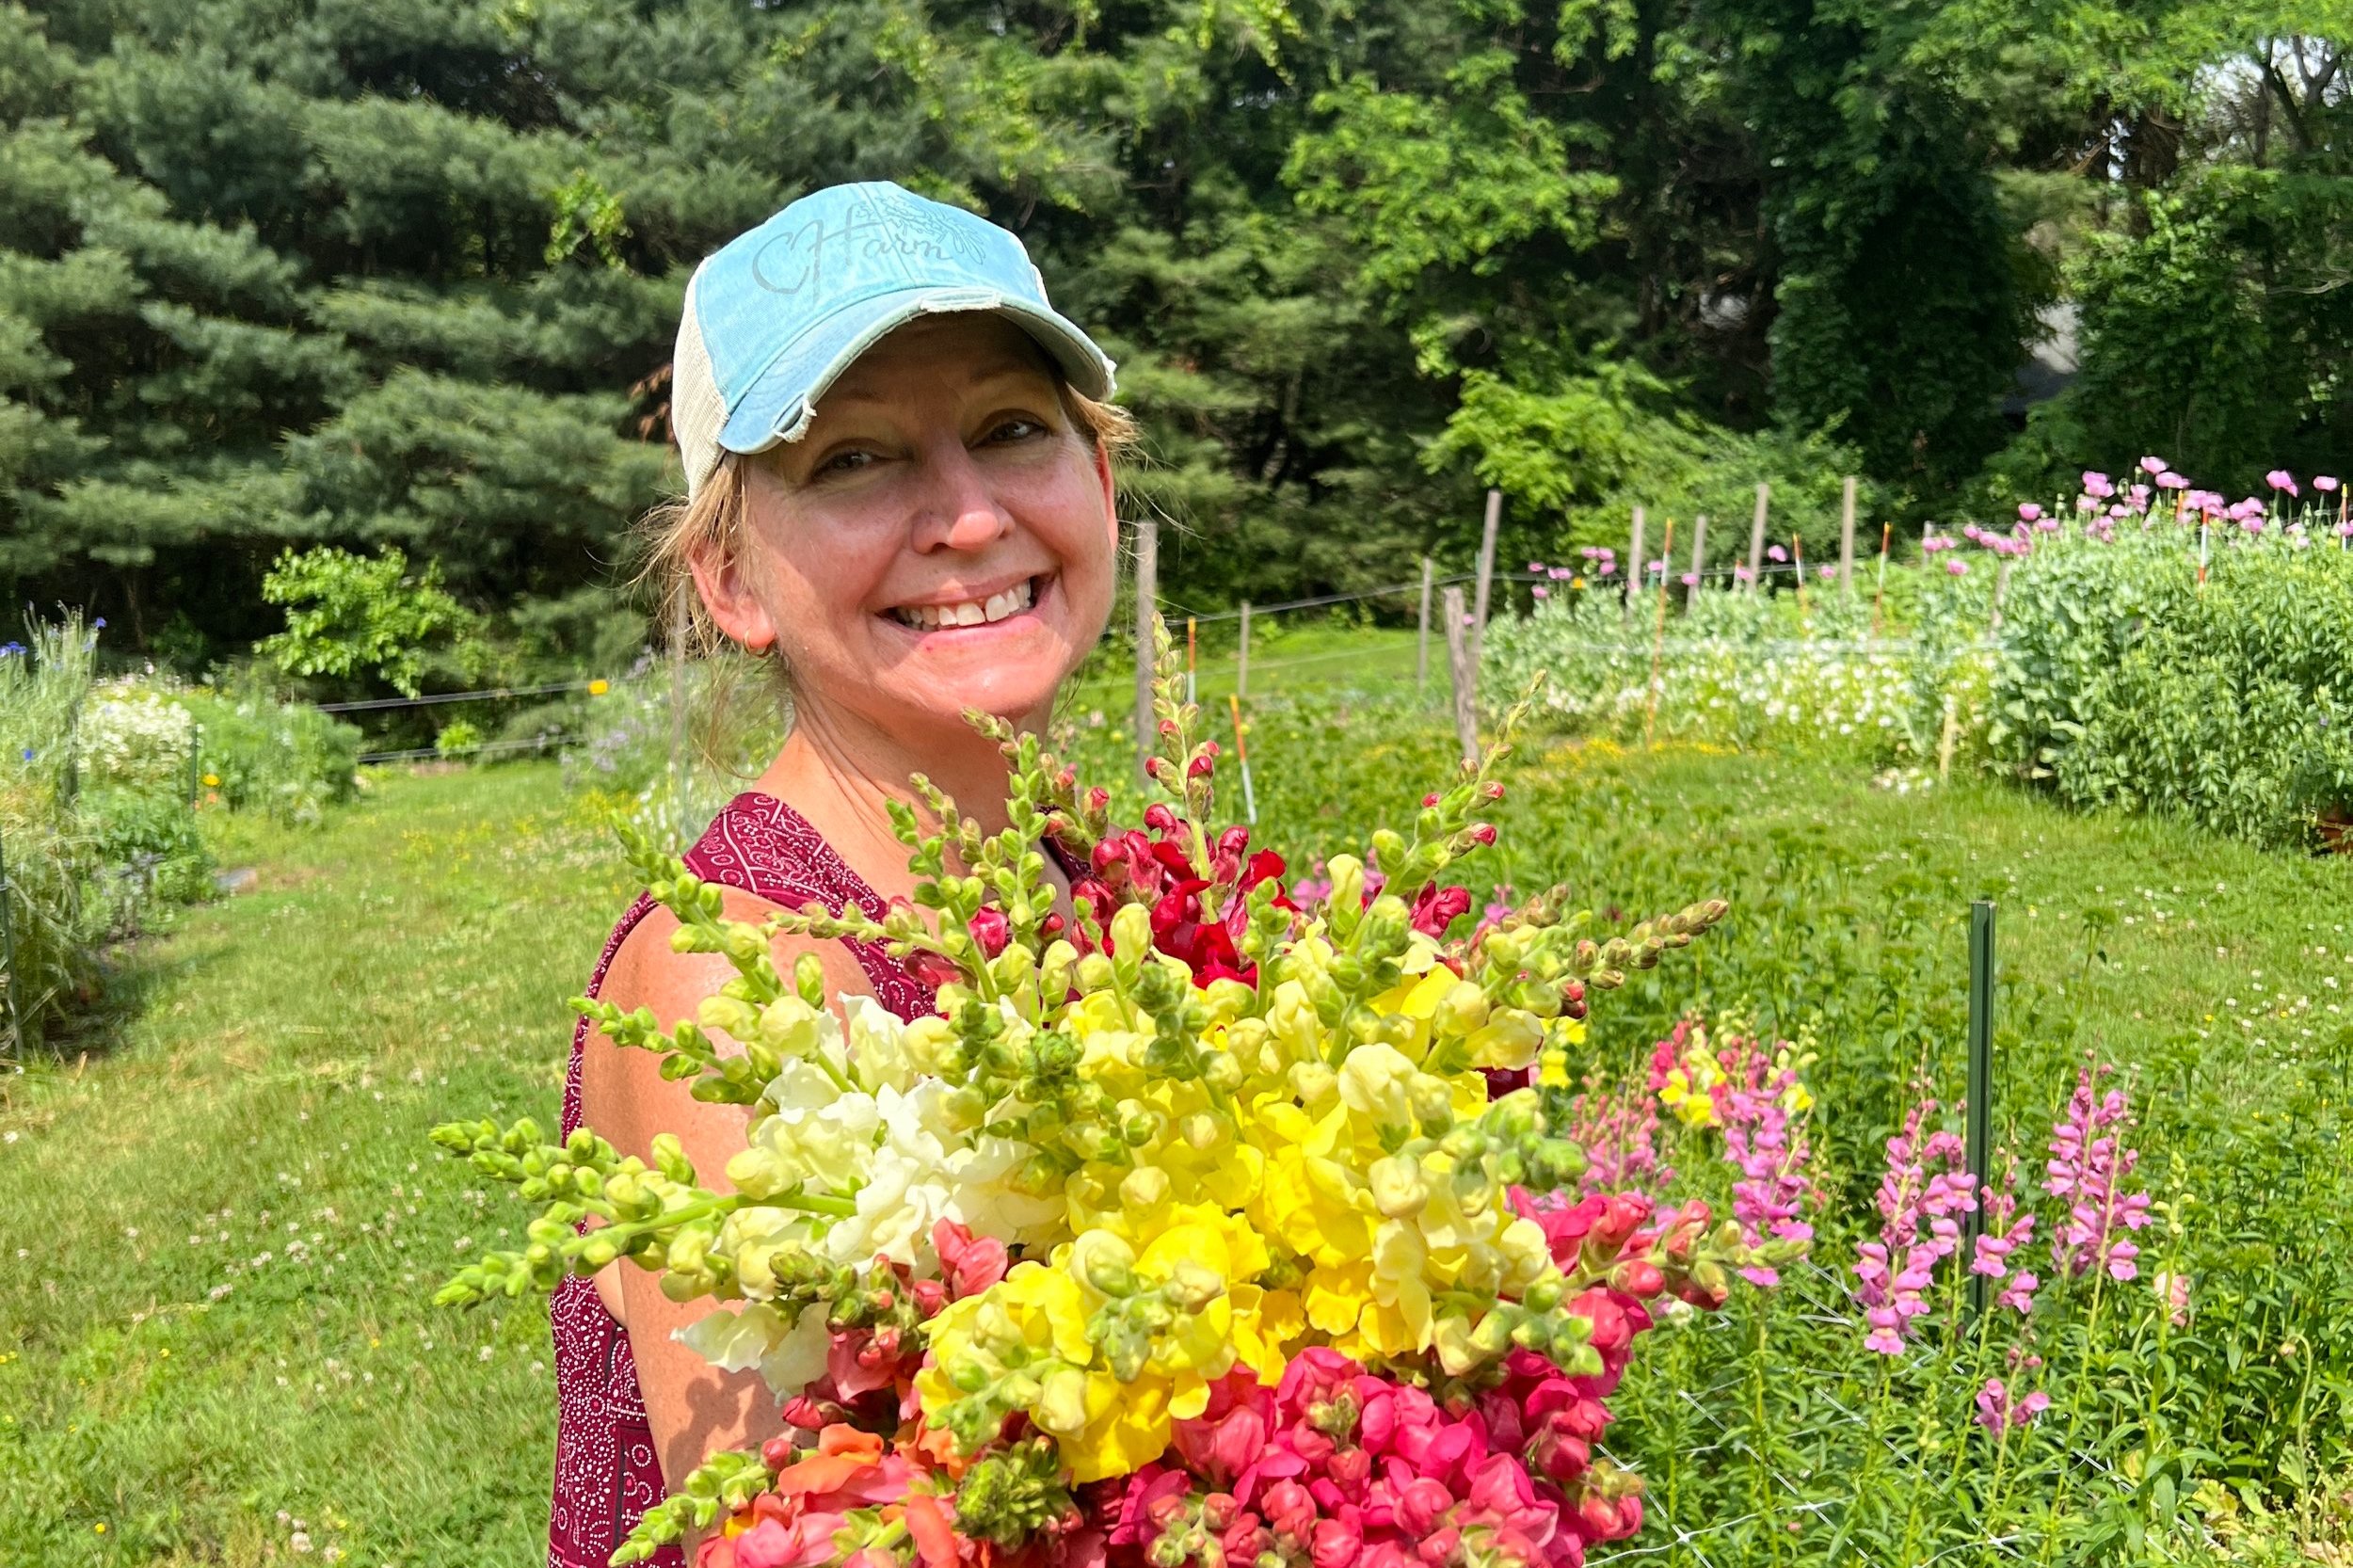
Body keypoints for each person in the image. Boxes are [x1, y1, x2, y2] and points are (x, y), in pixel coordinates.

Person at [549, 181, 1131, 1568]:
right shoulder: (731, 987)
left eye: (1010, 427)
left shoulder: (1096, 882)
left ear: (1100, 483)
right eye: (857, 459)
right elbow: (795, 1543)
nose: (971, 516)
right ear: (733, 580)